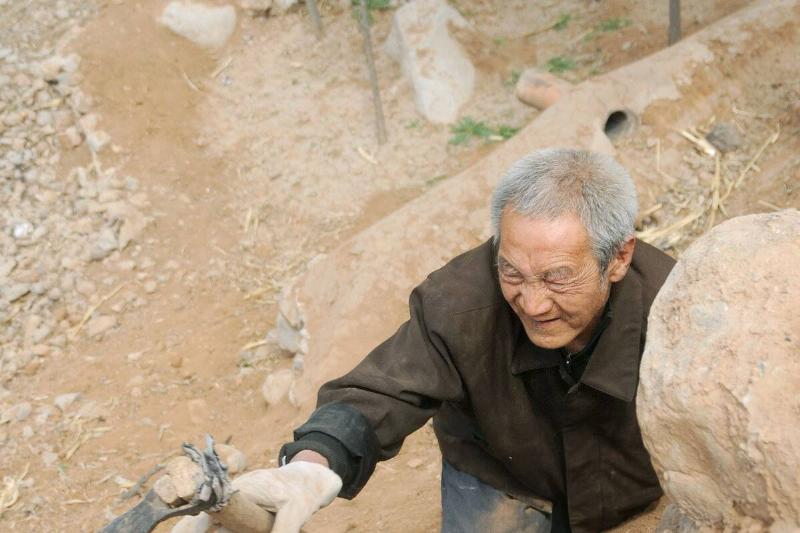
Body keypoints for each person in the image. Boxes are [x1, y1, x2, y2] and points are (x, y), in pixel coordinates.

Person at [240, 149, 675, 533]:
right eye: (512, 272)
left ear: (618, 258)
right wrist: (311, 466)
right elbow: (384, 389)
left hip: (628, 485)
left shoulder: (675, 307)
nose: (533, 304)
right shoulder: (457, 304)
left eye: (557, 278)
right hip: (502, 474)